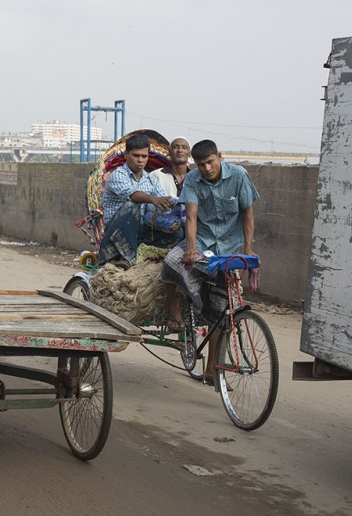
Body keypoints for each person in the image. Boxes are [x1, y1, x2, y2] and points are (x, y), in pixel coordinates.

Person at [160, 139, 259, 384]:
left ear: (219, 157)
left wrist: (247, 249)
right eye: (201, 164)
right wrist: (191, 248)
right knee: (171, 260)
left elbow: (247, 213)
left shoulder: (239, 175)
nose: (206, 168)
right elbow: (191, 217)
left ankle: (213, 367)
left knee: (221, 308)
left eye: (210, 162)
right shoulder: (193, 180)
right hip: (202, 241)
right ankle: (181, 307)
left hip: (230, 245)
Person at [99, 134, 178, 266]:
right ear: (126, 155)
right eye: (136, 156)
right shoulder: (118, 175)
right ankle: (127, 258)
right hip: (116, 232)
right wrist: (154, 200)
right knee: (133, 205)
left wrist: (171, 204)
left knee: (177, 230)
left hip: (141, 232)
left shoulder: (151, 180)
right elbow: (134, 195)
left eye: (144, 156)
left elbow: (162, 200)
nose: (140, 160)